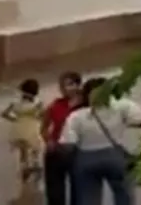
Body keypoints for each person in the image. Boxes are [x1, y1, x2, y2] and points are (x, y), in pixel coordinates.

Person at [58, 77, 141, 205]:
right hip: (115, 156)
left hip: (86, 158)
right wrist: (125, 123)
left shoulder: (76, 116)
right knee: (124, 196)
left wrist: (71, 161)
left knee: (88, 199)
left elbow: (68, 145)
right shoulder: (122, 106)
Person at [42, 71, 82, 205]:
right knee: (55, 192)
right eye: (62, 86)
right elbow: (44, 126)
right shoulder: (56, 105)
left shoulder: (85, 105)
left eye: (69, 84)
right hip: (57, 150)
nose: (65, 89)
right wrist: (48, 141)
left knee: (79, 189)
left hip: (77, 151)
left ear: (78, 85)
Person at [2, 78, 45, 182]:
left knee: (23, 151)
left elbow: (4, 114)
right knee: (35, 149)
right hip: (32, 127)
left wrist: (15, 119)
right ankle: (35, 165)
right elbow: (42, 116)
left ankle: (24, 169)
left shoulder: (15, 102)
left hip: (18, 127)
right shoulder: (38, 102)